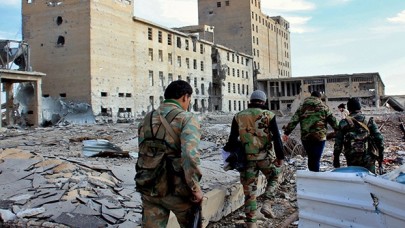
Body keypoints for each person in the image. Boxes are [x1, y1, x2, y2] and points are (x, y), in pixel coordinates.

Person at [135, 80, 203, 227]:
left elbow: (143, 152)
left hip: (150, 187)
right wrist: (195, 188)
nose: (188, 103)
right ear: (185, 97)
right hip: (177, 191)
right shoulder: (186, 118)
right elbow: (189, 156)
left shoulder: (146, 119)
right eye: (189, 100)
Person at [225, 90, 284, 228]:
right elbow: (277, 138)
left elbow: (232, 140)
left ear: (250, 101)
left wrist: (228, 154)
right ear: (264, 102)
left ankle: (251, 223)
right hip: (265, 158)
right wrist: (280, 157)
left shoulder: (238, 116)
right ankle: (267, 203)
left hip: (246, 161)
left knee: (250, 192)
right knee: (275, 176)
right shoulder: (269, 115)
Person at [282, 91, 339, 172]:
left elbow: (294, 121)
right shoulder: (324, 107)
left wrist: (286, 133)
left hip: (306, 137)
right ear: (319, 97)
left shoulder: (302, 107)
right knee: (316, 158)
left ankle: (312, 174)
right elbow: (334, 121)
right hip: (320, 137)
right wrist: (338, 131)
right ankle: (315, 177)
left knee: (311, 157)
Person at [333, 98, 384, 173]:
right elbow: (379, 139)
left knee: (354, 179)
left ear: (349, 109)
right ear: (360, 108)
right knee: (370, 179)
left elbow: (338, 143)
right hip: (368, 157)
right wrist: (380, 158)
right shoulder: (369, 121)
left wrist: (336, 159)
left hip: (351, 157)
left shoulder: (343, 122)